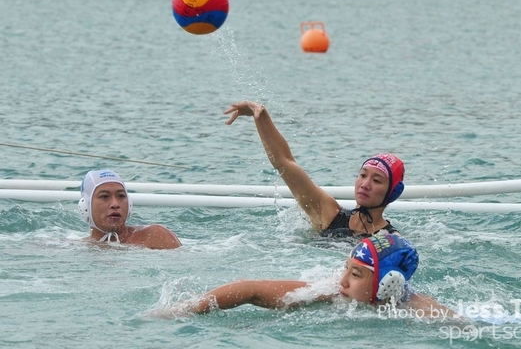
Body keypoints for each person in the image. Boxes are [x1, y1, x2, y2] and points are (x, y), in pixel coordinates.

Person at [163, 233, 458, 322]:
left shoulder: (424, 313)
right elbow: (250, 289)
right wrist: (183, 308)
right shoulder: (331, 291)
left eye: (355, 274)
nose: (342, 280)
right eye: (345, 268)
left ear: (388, 284)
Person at [224, 101, 406, 238]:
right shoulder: (328, 213)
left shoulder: (390, 240)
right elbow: (284, 162)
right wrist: (261, 117)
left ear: (393, 192)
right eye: (363, 175)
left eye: (376, 180)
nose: (365, 184)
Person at [78, 169, 182, 249]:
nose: (115, 204)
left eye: (121, 196)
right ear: (85, 206)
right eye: (104, 196)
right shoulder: (77, 247)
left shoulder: (155, 236)